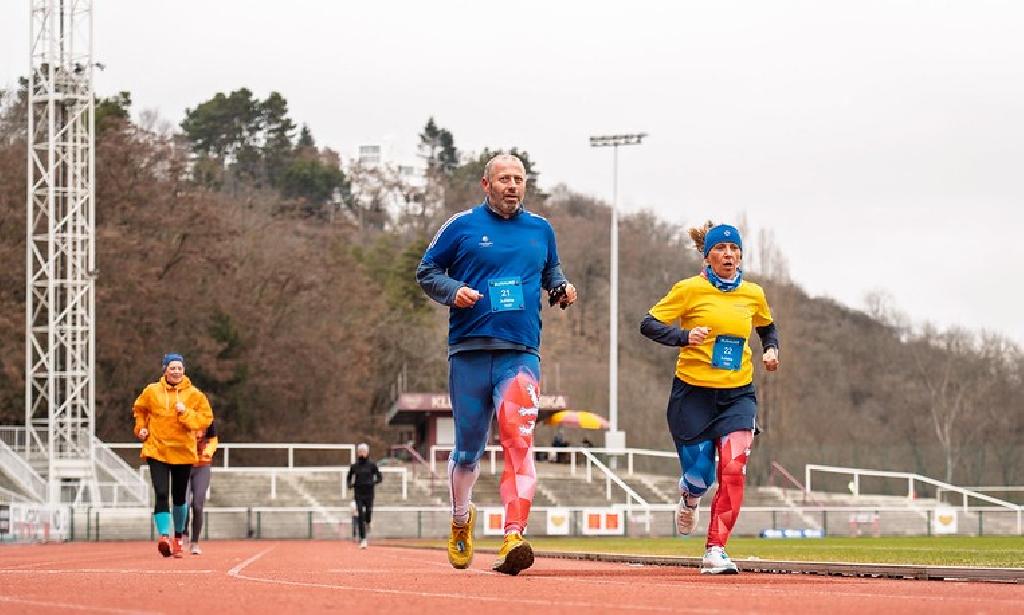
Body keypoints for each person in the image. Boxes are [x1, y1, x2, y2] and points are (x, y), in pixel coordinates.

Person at [417, 153, 577, 575]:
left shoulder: (541, 230)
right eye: (504, 178)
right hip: (469, 352)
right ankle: (459, 520)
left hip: (520, 353)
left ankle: (513, 535)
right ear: (485, 185)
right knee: (468, 451)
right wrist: (453, 291)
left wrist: (560, 288)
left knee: (518, 441)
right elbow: (427, 271)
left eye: (519, 179)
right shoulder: (461, 226)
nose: (512, 185)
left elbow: (551, 272)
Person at [640, 222, 779, 575]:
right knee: (701, 475)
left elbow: (766, 326)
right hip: (693, 395)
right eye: (721, 249)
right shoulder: (689, 290)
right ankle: (690, 496)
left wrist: (771, 349)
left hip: (738, 395)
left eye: (735, 250)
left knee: (732, 469)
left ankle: (716, 549)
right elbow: (649, 324)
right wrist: (685, 336)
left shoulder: (753, 293)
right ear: (707, 256)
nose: (729, 255)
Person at [133, 353, 213, 558]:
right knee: (161, 493)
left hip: (183, 451)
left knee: (179, 498)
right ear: (165, 369)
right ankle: (164, 537)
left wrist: (185, 412)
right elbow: (139, 410)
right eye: (172, 367)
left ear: (184, 370)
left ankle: (178, 538)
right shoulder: (152, 391)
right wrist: (141, 428)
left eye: (179, 368)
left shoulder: (195, 395)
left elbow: (205, 420)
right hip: (157, 449)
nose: (176, 371)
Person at [185, 420, 218, 555]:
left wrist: (208, 452)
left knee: (198, 505)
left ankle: (195, 542)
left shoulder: (208, 419)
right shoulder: (183, 417)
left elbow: (213, 439)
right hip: (184, 465)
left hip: (202, 466)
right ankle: (183, 532)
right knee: (184, 504)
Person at [346, 443, 382, 549]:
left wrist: (373, 482)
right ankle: (363, 540)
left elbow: (380, 477)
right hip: (358, 493)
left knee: (368, 512)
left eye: (364, 451)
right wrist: (349, 484)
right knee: (360, 515)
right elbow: (349, 477)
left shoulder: (372, 465)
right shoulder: (354, 466)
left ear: (367, 452)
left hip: (369, 493)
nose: (362, 453)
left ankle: (368, 522)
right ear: (358, 453)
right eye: (360, 451)